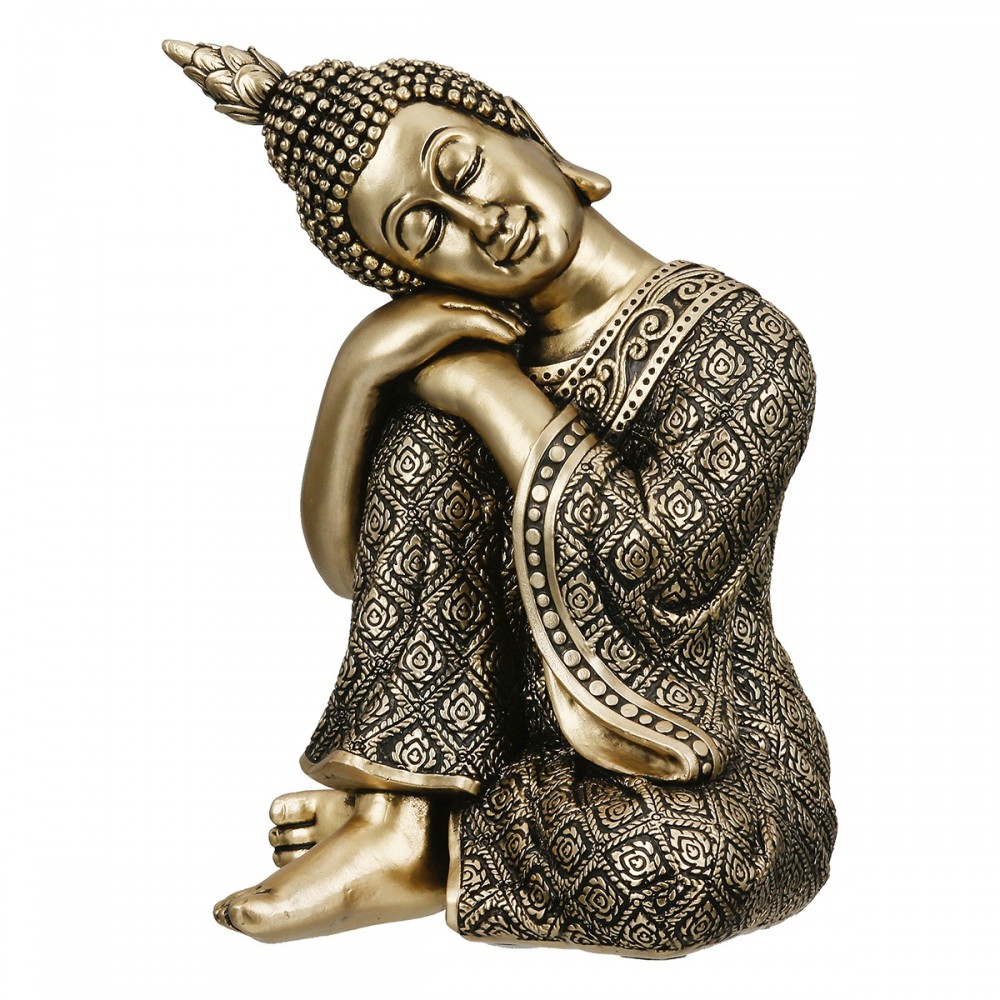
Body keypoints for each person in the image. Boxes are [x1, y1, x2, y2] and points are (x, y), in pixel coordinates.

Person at [164, 41, 836, 956]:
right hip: (512, 753)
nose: (479, 220)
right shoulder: (451, 371)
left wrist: (492, 393)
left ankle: (440, 843)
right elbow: (358, 572)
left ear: (527, 136)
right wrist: (358, 373)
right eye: (424, 231)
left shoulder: (744, 339)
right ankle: (403, 816)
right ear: (419, 280)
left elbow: (661, 562)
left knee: (692, 869)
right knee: (424, 426)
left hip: (716, 761)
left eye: (462, 168)